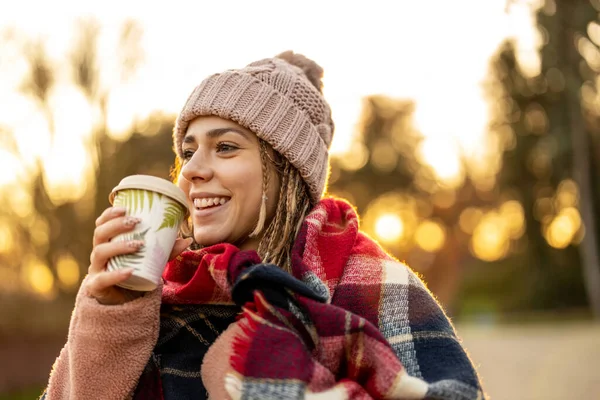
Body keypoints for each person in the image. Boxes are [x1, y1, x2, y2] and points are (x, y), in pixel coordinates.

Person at [42, 51, 484, 400]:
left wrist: (269, 377)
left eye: (226, 147)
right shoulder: (162, 288)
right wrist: (111, 318)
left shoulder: (372, 282)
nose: (192, 169)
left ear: (286, 170)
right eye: (189, 150)